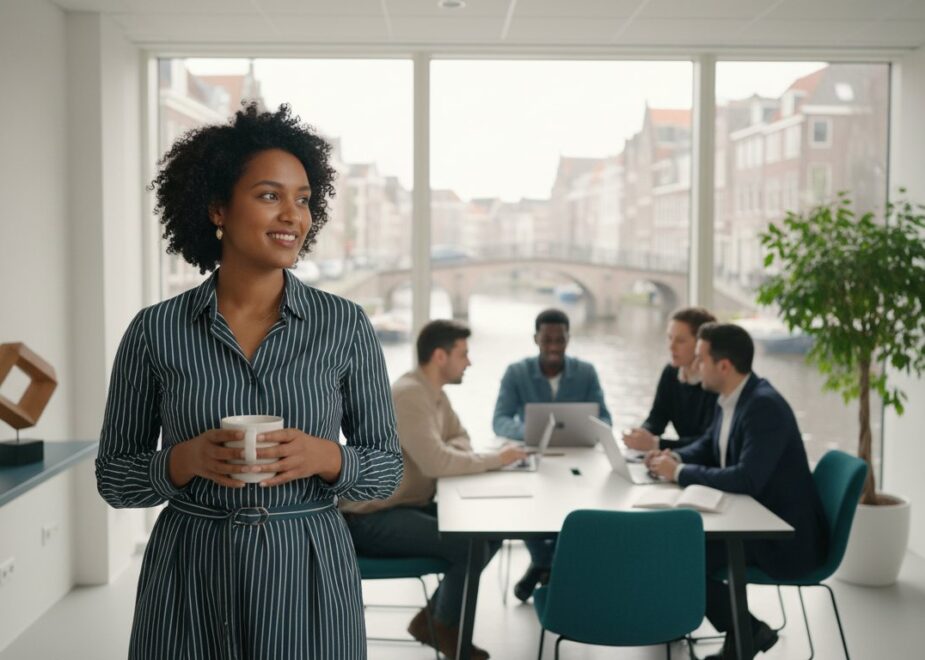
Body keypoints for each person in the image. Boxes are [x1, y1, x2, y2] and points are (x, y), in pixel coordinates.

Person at [95, 103, 403, 659]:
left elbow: (386, 470)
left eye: (303, 199)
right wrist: (181, 461)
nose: (293, 215)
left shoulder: (345, 325)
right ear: (217, 208)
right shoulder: (155, 330)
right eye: (269, 195)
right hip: (190, 570)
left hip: (308, 567)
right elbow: (115, 480)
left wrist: (326, 457)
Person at [341, 320, 526, 660]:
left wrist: (450, 450)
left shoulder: (434, 395)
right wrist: (497, 459)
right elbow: (438, 463)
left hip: (405, 506)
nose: (469, 362)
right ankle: (441, 626)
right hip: (366, 520)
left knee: (491, 533)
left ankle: (433, 622)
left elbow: (461, 440)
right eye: (463, 354)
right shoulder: (410, 395)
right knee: (470, 544)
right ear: (440, 356)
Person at [646, 323, 828, 659]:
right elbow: (708, 445)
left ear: (724, 366)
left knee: (677, 558)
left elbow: (747, 479)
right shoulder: (732, 397)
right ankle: (744, 632)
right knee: (673, 552)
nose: (695, 366)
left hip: (782, 537)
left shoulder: (763, 407)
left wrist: (682, 473)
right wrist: (675, 457)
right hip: (750, 519)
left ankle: (746, 632)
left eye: (700, 359)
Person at [492, 308, 612, 602]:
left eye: (560, 339)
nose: (555, 346)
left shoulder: (586, 372)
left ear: (569, 339)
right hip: (535, 457)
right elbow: (499, 420)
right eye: (548, 339)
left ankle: (542, 566)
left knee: (578, 508)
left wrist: (589, 428)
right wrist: (532, 432)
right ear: (536, 339)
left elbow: (605, 420)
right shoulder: (516, 372)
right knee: (525, 504)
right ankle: (548, 564)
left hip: (578, 459)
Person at [624, 306, 718, 452]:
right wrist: (641, 435)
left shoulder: (715, 382)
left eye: (680, 341)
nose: (671, 347)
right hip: (680, 457)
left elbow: (707, 443)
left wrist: (656, 444)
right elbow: (657, 417)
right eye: (669, 338)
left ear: (701, 345)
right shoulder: (671, 372)